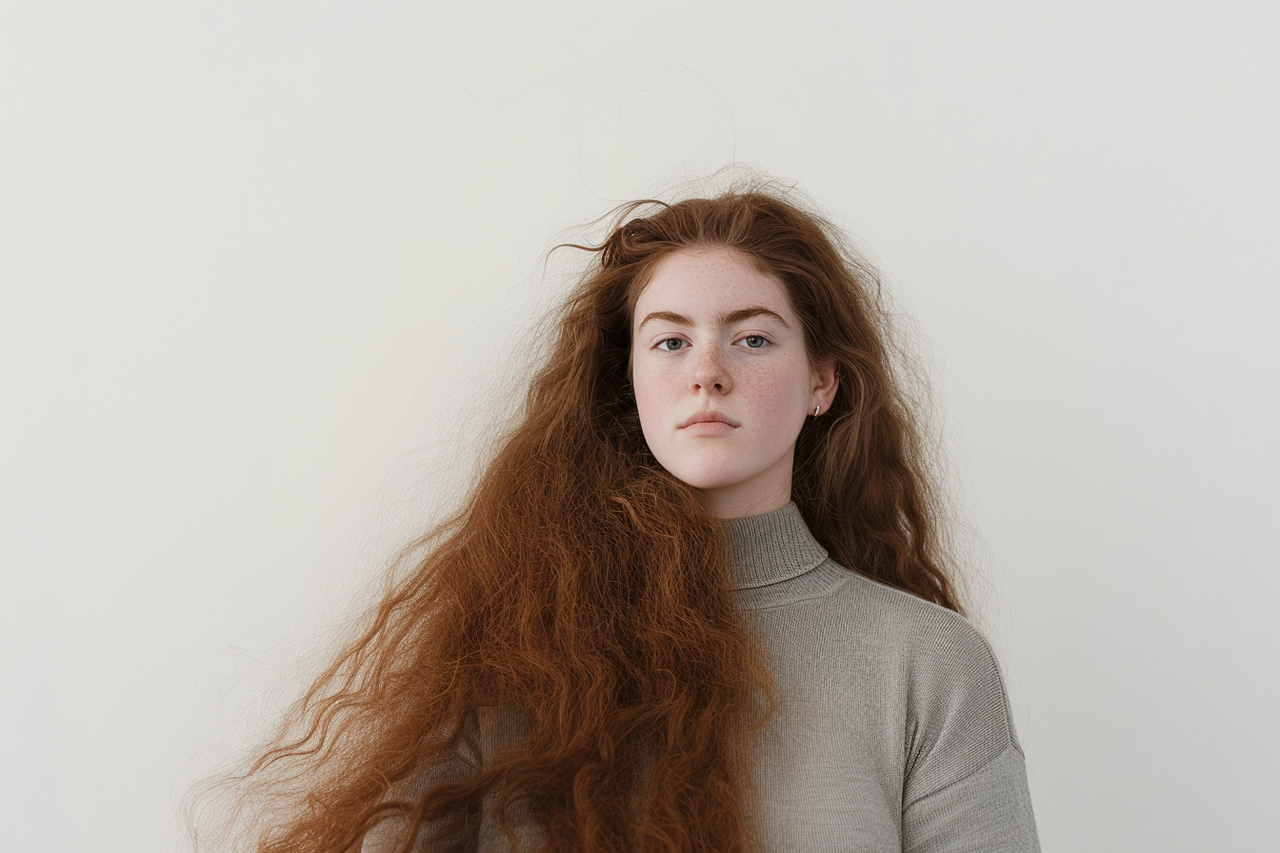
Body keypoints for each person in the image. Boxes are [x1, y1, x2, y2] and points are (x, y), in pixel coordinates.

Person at [207, 182, 1039, 852]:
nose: (707, 371)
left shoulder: (928, 664)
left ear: (823, 381)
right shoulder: (512, 641)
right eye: (670, 342)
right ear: (628, 382)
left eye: (751, 339)